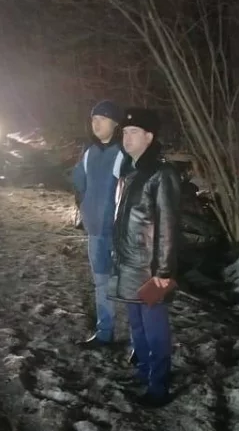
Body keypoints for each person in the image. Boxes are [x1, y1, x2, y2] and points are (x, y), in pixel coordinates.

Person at [110, 107, 180, 408]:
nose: (126, 138)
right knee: (137, 326)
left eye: (134, 132)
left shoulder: (161, 174)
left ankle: (159, 385)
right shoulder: (131, 172)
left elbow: (168, 225)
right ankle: (143, 372)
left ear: (149, 137)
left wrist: (164, 270)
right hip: (129, 263)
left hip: (151, 269)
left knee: (155, 330)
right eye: (125, 132)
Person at [71, 100, 126, 347]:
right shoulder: (89, 152)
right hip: (95, 231)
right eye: (94, 119)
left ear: (115, 123)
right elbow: (78, 181)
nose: (96, 123)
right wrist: (84, 206)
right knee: (101, 282)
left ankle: (139, 341)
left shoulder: (124, 153)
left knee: (127, 284)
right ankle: (105, 332)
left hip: (119, 233)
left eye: (102, 119)